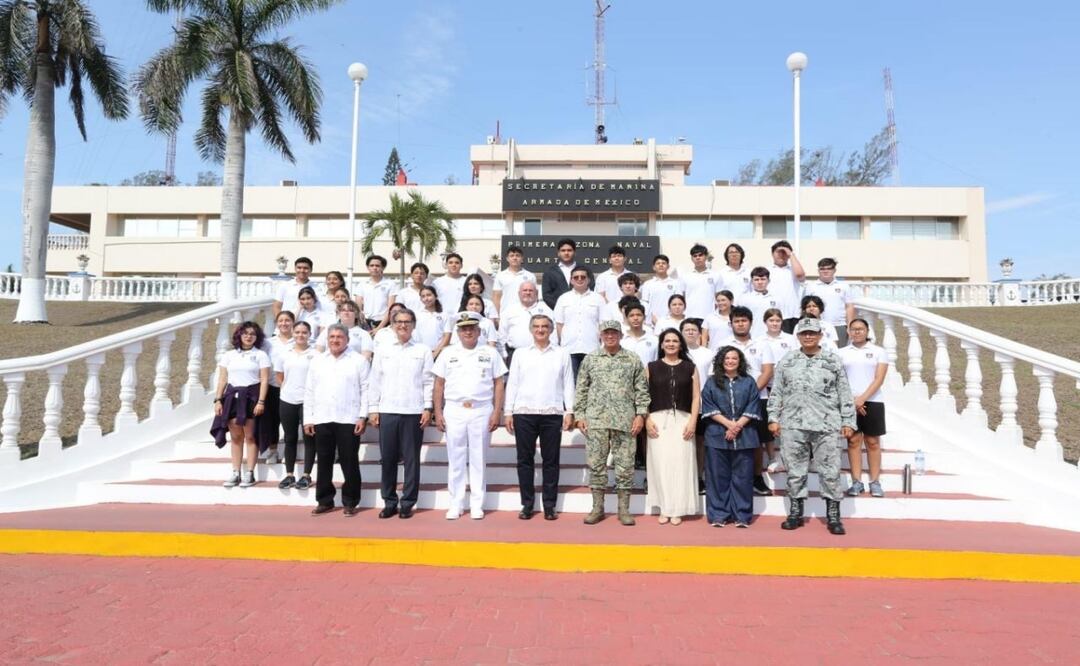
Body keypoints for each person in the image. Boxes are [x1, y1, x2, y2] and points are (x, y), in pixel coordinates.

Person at [768, 317, 856, 535]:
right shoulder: (787, 361)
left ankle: (833, 516)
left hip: (826, 424)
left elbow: (844, 391)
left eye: (812, 333)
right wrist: (772, 417)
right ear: (798, 336)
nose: (808, 336)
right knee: (795, 471)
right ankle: (795, 513)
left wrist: (848, 420)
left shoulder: (832, 361)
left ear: (820, 335)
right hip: (793, 424)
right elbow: (777, 391)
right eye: (804, 333)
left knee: (830, 472)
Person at [574, 320, 650, 526]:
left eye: (614, 333)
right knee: (597, 465)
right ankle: (597, 508)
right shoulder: (591, 359)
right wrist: (579, 414)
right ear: (601, 335)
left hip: (625, 421)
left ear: (620, 335)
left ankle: (623, 509)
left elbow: (642, 390)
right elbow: (581, 388)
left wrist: (640, 415)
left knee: (625, 467)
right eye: (606, 333)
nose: (610, 336)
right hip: (596, 420)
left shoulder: (632, 359)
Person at [433, 314, 507, 520]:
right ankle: (455, 503)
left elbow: (499, 383)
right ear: (457, 332)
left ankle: (476, 504)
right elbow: (439, 384)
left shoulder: (490, 353)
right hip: (455, 409)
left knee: (478, 458)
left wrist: (497, 412)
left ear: (478, 331)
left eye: (472, 328)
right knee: (455, 458)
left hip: (481, 409)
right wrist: (438, 412)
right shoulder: (448, 353)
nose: (468, 332)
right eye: (464, 329)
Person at [504, 314, 575, 521]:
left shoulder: (562, 353)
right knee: (524, 460)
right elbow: (513, 383)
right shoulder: (520, 353)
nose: (541, 330)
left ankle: (549, 505)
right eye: (536, 326)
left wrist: (569, 410)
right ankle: (527, 504)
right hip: (524, 413)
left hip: (552, 413)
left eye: (545, 326)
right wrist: (508, 411)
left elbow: (568, 383)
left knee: (551, 461)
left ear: (551, 330)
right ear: (531, 329)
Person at [367, 307, 434, 519]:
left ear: (413, 325)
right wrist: (373, 409)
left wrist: (428, 407)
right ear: (393, 325)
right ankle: (389, 501)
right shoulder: (384, 349)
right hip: (387, 410)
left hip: (413, 411)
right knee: (387, 458)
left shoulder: (423, 350)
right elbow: (375, 381)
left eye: (407, 322)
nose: (403, 325)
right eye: (399, 322)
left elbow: (428, 381)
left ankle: (407, 502)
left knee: (411, 459)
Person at [304, 324, 370, 517]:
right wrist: (309, 419)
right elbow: (309, 391)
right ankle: (325, 500)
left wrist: (362, 416)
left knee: (349, 462)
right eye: (332, 336)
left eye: (339, 336)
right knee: (323, 461)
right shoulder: (317, 361)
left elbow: (365, 390)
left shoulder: (358, 361)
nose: (335, 340)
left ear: (347, 339)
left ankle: (350, 502)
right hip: (322, 417)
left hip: (348, 418)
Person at [644, 329, 701, 525]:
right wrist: (646, 419)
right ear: (661, 345)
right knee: (660, 464)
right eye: (667, 341)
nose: (670, 344)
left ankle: (678, 508)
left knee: (681, 463)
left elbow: (696, 397)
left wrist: (693, 421)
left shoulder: (690, 367)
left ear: (680, 345)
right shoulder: (651, 366)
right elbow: (643, 396)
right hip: (657, 420)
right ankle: (664, 507)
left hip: (683, 420)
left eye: (675, 341)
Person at [700, 346, 760, 527]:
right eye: (727, 358)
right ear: (721, 361)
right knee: (717, 477)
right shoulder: (711, 382)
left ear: (740, 361)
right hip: (717, 435)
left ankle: (742, 515)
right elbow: (708, 406)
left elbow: (753, 404)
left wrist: (737, 425)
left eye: (734, 358)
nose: (730, 361)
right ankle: (719, 514)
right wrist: (729, 424)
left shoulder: (749, 382)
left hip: (745, 436)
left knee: (743, 477)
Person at [210, 321, 271, 488]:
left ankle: (250, 473)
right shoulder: (229, 355)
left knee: (250, 436)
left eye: (252, 334)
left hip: (251, 398)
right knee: (236, 437)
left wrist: (261, 401)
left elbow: (264, 379)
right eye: (245, 333)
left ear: (256, 337)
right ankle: (235, 472)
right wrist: (218, 400)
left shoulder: (260, 355)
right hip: (232, 398)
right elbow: (222, 379)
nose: (249, 336)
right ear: (239, 335)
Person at [727, 306, 776, 497]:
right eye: (737, 321)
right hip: (729, 400)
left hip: (758, 398)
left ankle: (756, 477)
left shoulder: (763, 344)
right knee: (730, 437)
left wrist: (751, 394)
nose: (740, 324)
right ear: (731, 323)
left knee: (756, 441)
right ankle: (732, 477)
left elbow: (767, 371)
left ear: (750, 322)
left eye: (744, 320)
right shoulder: (723, 344)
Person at [840, 318, 889, 498]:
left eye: (861, 329)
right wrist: (853, 400)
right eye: (853, 329)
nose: (857, 332)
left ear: (867, 331)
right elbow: (840, 379)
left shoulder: (879, 352)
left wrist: (862, 399)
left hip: (873, 401)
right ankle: (856, 482)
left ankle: (875, 481)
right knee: (853, 441)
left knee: (872, 442)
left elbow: (879, 379)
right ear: (849, 332)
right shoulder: (842, 353)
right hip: (849, 401)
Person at [274, 320, 317, 491]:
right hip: (287, 400)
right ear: (293, 333)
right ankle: (290, 474)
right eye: (297, 332)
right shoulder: (284, 353)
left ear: (309, 334)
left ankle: (306, 475)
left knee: (309, 438)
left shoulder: (315, 354)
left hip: (308, 401)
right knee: (290, 437)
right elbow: (279, 375)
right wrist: (287, 387)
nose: (300, 335)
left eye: (304, 332)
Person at [554, 265, 604, 380]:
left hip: (592, 348)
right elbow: (559, 324)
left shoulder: (598, 299)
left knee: (591, 383)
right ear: (571, 280)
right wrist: (562, 343)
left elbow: (603, 323)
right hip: (569, 349)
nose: (579, 279)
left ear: (588, 280)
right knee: (571, 383)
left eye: (583, 277)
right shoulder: (563, 299)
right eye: (576, 277)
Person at [260, 311, 294, 464]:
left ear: (293, 322)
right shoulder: (269, 343)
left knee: (291, 422)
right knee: (273, 420)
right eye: (281, 320)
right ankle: (273, 451)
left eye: (287, 320)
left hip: (293, 388)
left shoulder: (299, 339)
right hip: (273, 387)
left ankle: (289, 451)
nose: (284, 323)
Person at [498, 281, 553, 367]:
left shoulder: (547, 310)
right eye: (525, 290)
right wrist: (503, 355)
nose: (528, 293)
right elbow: (502, 335)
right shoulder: (509, 310)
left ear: (537, 293)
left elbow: (553, 334)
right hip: (514, 355)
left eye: (531, 290)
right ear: (519, 293)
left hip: (541, 354)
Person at [806, 257, 855, 347]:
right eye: (822, 269)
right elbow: (806, 307)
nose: (825, 271)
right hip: (817, 325)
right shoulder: (811, 287)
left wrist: (850, 326)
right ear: (818, 270)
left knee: (839, 353)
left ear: (834, 270)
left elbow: (849, 306)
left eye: (829, 268)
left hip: (839, 326)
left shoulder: (844, 286)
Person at [767, 240, 806, 333]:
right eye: (778, 252)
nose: (781, 255)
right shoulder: (766, 270)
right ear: (772, 254)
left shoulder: (794, 269)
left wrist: (791, 254)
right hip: (772, 314)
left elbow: (800, 275)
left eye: (784, 252)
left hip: (792, 315)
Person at [542, 238, 593, 309]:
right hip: (558, 312)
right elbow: (547, 295)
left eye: (569, 250)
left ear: (575, 252)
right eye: (563, 250)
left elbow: (591, 289)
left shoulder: (585, 270)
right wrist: (560, 308)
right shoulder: (549, 272)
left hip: (582, 311)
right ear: (558, 253)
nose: (566, 253)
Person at [639, 254, 685, 325]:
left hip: (671, 321)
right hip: (652, 322)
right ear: (654, 267)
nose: (661, 265)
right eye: (658, 263)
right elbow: (645, 303)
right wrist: (651, 317)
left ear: (668, 266)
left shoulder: (676, 283)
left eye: (663, 263)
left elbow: (678, 302)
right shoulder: (648, 284)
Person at [737, 267, 781, 340]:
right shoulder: (744, 299)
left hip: (771, 339)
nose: (760, 282)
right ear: (752, 281)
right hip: (752, 338)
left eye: (763, 279)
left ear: (768, 280)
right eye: (756, 279)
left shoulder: (777, 298)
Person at [359, 254, 398, 331]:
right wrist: (365, 324)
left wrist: (379, 328)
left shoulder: (390, 284)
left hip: (384, 323)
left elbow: (390, 309)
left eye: (377, 266)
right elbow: (358, 308)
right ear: (368, 267)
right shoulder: (362, 284)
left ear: (382, 267)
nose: (374, 268)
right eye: (371, 265)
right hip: (366, 323)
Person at [492, 245, 537, 312]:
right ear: (507, 258)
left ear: (522, 258)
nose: (515, 258)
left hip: (525, 313)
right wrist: (497, 316)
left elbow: (535, 296)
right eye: (512, 256)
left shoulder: (530, 276)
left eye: (517, 255)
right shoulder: (500, 276)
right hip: (506, 313)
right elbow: (496, 297)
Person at [681, 243, 720, 319]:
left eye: (700, 255)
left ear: (705, 257)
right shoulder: (685, 276)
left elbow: (719, 297)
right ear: (692, 258)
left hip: (709, 317)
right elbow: (681, 297)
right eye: (695, 256)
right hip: (689, 317)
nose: (698, 258)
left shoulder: (716, 275)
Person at [414, 286, 448, 350]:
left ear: (435, 296)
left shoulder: (444, 315)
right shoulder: (416, 314)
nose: (426, 298)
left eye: (429, 295)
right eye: (423, 296)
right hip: (421, 352)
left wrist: (436, 353)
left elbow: (447, 336)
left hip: (439, 352)